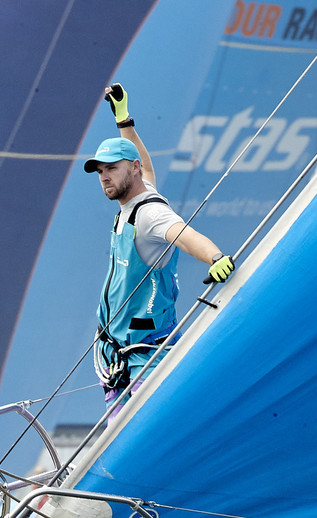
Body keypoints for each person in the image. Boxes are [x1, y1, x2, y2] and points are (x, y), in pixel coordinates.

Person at [86, 83, 235, 405]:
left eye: (112, 168)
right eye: (100, 171)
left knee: (127, 433)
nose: (104, 177)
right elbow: (148, 166)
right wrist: (124, 121)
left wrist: (215, 257)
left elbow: (184, 234)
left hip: (144, 357)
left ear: (132, 168)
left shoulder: (150, 213)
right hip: (116, 351)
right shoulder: (138, 192)